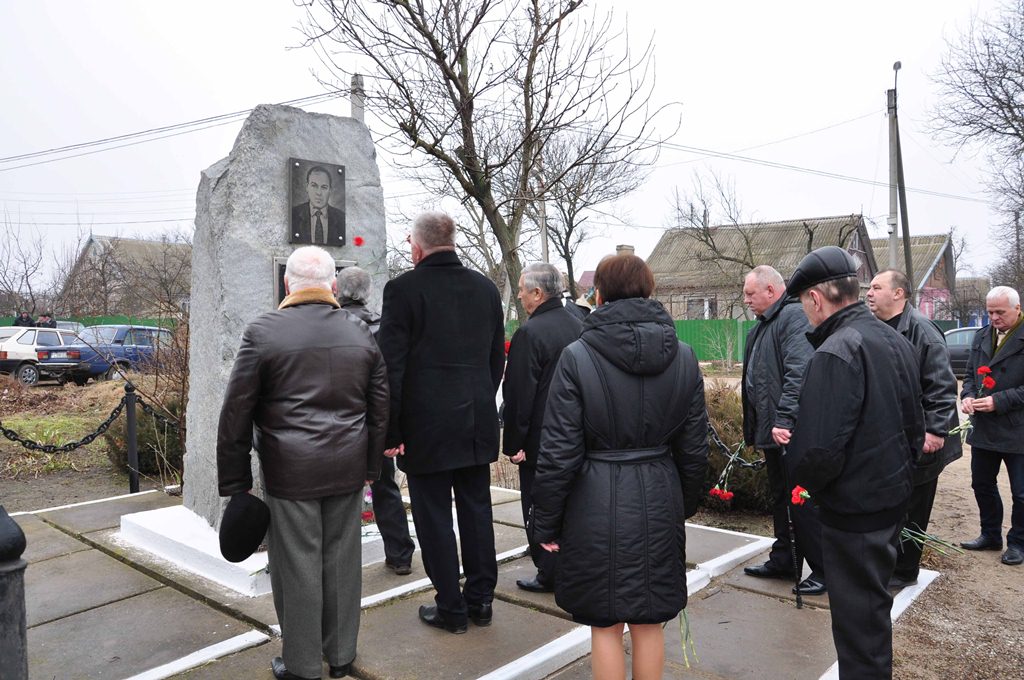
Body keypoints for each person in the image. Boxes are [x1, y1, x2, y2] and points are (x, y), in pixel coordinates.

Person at [532, 253, 708, 680]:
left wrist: (546, 522)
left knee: (605, 622)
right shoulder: (684, 356)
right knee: (649, 620)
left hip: (595, 503)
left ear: (599, 295)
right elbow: (694, 448)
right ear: (649, 291)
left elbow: (558, 452)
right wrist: (681, 504)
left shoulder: (577, 356)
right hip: (658, 496)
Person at [217, 246, 388, 680]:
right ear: (332, 285)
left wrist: (237, 483)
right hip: (348, 466)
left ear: (287, 284)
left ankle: (303, 665)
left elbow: (236, 411)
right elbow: (379, 407)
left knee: (297, 567)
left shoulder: (264, 332)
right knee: (342, 562)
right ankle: (341, 655)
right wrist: (371, 468)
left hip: (290, 471)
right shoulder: (359, 331)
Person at [786, 246, 924, 679]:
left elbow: (817, 451)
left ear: (816, 298)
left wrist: (804, 479)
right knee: (871, 615)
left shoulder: (836, 351)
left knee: (858, 627)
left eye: (803, 303)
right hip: (888, 499)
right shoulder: (893, 339)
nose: (805, 313)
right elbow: (915, 428)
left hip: (853, 512)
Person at [377, 211, 505, 634]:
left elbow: (391, 366)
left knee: (433, 517)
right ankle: (481, 600)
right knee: (476, 510)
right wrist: (479, 399)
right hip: (475, 420)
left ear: (416, 247)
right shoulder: (485, 288)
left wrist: (391, 430)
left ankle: (451, 606)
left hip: (426, 425)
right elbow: (495, 359)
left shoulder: (402, 290)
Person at [866, 269, 963, 587]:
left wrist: (934, 431)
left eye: (876, 287)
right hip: (894, 437)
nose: (869, 293)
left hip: (922, 439)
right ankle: (887, 564)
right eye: (869, 287)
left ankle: (904, 571)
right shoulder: (876, 327)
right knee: (892, 503)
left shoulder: (922, 331)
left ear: (898, 293)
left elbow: (942, 386)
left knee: (914, 507)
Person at [739, 265, 825, 596]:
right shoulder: (765, 324)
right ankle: (785, 558)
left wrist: (784, 419)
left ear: (771, 291)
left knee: (801, 499)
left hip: (791, 432)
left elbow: (798, 373)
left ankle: (822, 569)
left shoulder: (792, 318)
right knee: (781, 497)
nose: (746, 300)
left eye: (750, 293)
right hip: (774, 431)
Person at [502, 263, 583, 593]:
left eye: (522, 290)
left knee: (539, 506)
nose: (519, 296)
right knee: (571, 505)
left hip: (541, 440)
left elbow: (519, 393)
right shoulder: (579, 324)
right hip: (576, 434)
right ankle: (572, 566)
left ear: (538, 293)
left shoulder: (530, 333)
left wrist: (514, 443)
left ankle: (549, 571)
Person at [337, 265, 416, 575]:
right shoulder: (384, 328)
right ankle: (400, 554)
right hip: (374, 422)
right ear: (368, 293)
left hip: (339, 421)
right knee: (385, 488)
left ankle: (339, 561)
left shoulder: (330, 326)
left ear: (337, 290)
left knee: (338, 495)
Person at [959, 285, 1024, 567]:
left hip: (1018, 428)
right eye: (990, 312)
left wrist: (999, 401)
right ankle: (990, 534)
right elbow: (969, 375)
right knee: (982, 483)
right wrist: (967, 396)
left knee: (1021, 492)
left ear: (1017, 309)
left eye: (1000, 312)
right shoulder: (982, 335)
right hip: (985, 427)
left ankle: (1018, 543)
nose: (994, 318)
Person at [291, 165, 346, 246]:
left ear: (330, 190)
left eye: (324, 187)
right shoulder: (293, 215)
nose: (319, 193)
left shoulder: (341, 218)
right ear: (307, 187)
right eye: (314, 186)